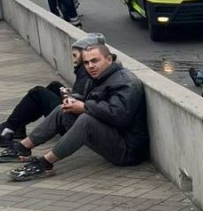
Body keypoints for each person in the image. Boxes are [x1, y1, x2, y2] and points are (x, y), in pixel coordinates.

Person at [6, 43, 149, 182]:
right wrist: (73, 101)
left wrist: (85, 106)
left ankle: (45, 163)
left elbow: (119, 116)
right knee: (64, 110)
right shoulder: (100, 77)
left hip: (128, 150)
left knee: (86, 120)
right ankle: (23, 147)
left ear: (109, 59)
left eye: (95, 61)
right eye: (86, 63)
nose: (90, 66)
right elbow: (92, 100)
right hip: (113, 136)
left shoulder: (126, 82)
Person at [0, 33, 104, 150]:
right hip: (79, 114)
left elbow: (84, 100)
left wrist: (72, 95)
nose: (74, 60)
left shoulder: (86, 70)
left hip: (71, 121)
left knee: (38, 93)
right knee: (55, 86)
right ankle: (18, 126)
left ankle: (8, 128)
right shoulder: (93, 66)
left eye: (75, 55)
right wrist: (71, 93)